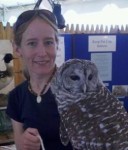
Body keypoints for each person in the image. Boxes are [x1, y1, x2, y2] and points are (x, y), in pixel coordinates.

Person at [6, 9, 73, 150]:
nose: (42, 53)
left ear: (57, 44)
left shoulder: (78, 89)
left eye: (48, 42)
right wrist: (25, 144)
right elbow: (20, 146)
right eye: (32, 43)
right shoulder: (16, 97)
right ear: (17, 49)